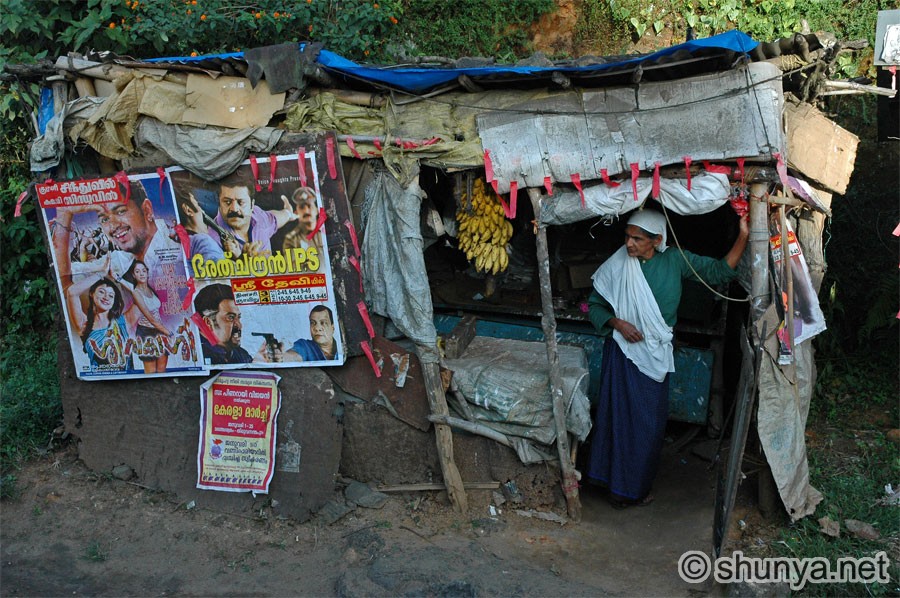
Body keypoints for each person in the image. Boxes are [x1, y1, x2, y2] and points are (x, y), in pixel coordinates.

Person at [586, 208, 749, 509]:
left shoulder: (675, 260)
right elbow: (595, 306)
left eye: (637, 239)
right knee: (616, 418)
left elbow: (718, 271)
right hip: (622, 354)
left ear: (657, 240)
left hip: (654, 356)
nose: (629, 244)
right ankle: (613, 486)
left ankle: (632, 488)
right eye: (627, 237)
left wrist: (743, 236)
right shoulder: (619, 263)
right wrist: (618, 323)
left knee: (648, 425)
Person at [208, 173, 297, 257]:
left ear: (252, 205)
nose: (234, 209)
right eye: (227, 202)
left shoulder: (259, 216)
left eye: (241, 202)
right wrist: (240, 259)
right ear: (219, 204)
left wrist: (288, 213)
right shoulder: (211, 241)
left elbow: (274, 219)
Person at [65, 274, 131, 370]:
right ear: (92, 293)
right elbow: (72, 292)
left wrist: (118, 278)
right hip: (99, 377)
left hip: (126, 377)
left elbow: (141, 297)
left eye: (111, 296)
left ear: (114, 301)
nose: (106, 297)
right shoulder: (84, 325)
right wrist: (101, 273)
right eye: (101, 292)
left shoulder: (123, 321)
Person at [121, 260, 172, 374]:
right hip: (146, 332)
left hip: (160, 330)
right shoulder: (136, 292)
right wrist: (169, 333)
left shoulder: (150, 289)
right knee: (151, 371)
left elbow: (156, 316)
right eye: (137, 271)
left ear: (147, 273)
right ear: (133, 275)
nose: (141, 274)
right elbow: (151, 319)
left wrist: (164, 332)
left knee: (162, 369)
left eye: (144, 271)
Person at [192, 284, 254, 365]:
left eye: (238, 317)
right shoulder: (194, 355)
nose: (239, 325)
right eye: (230, 317)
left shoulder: (241, 355)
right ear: (208, 322)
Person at [174, 190, 229, 262]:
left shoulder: (182, 247)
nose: (203, 211)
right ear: (188, 210)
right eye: (197, 204)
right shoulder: (204, 241)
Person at [281, 186, 323, 262]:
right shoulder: (291, 239)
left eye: (309, 206)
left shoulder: (325, 232)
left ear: (317, 210)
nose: (306, 210)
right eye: (302, 207)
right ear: (296, 213)